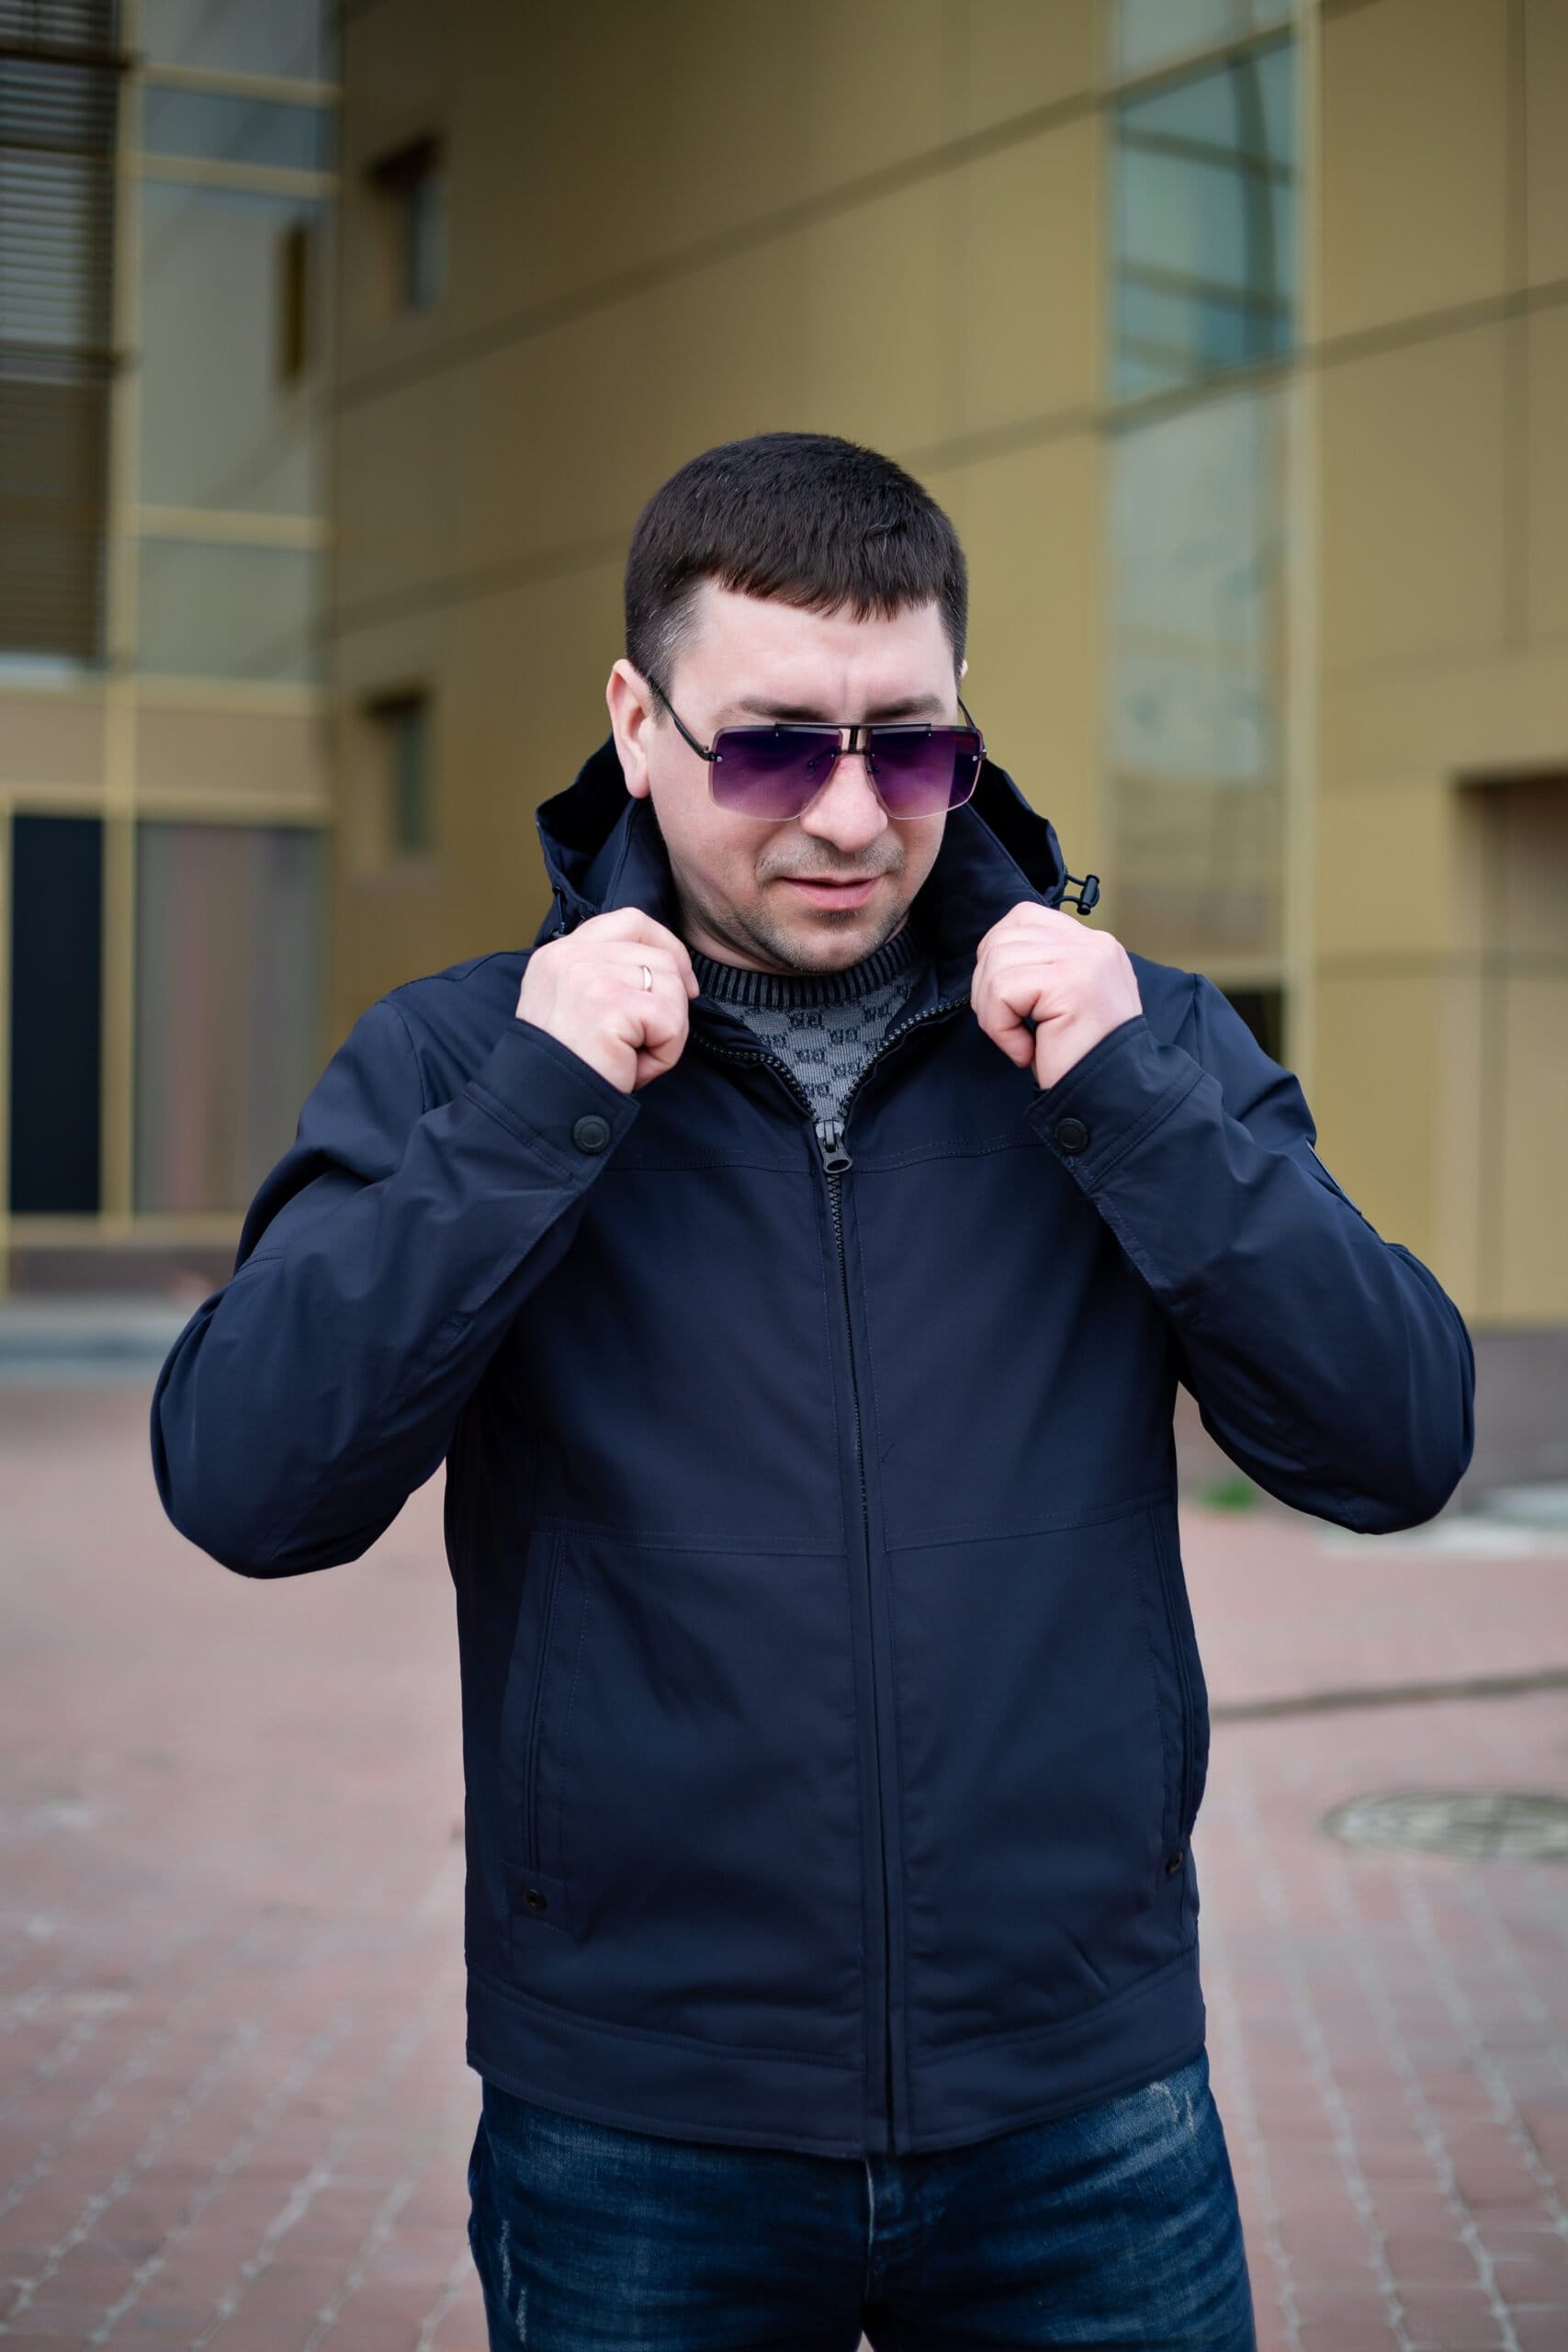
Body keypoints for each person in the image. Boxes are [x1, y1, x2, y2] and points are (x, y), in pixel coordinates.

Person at [150, 430, 1475, 2350]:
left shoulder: (1135, 1046)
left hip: (1079, 2104)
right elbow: (246, 1480)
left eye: (909, 747)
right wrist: (531, 1117)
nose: (851, 817)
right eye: (774, 749)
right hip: (639, 2116)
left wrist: (1129, 1105)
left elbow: (1397, 1439)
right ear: (638, 722)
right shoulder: (463, 1064)